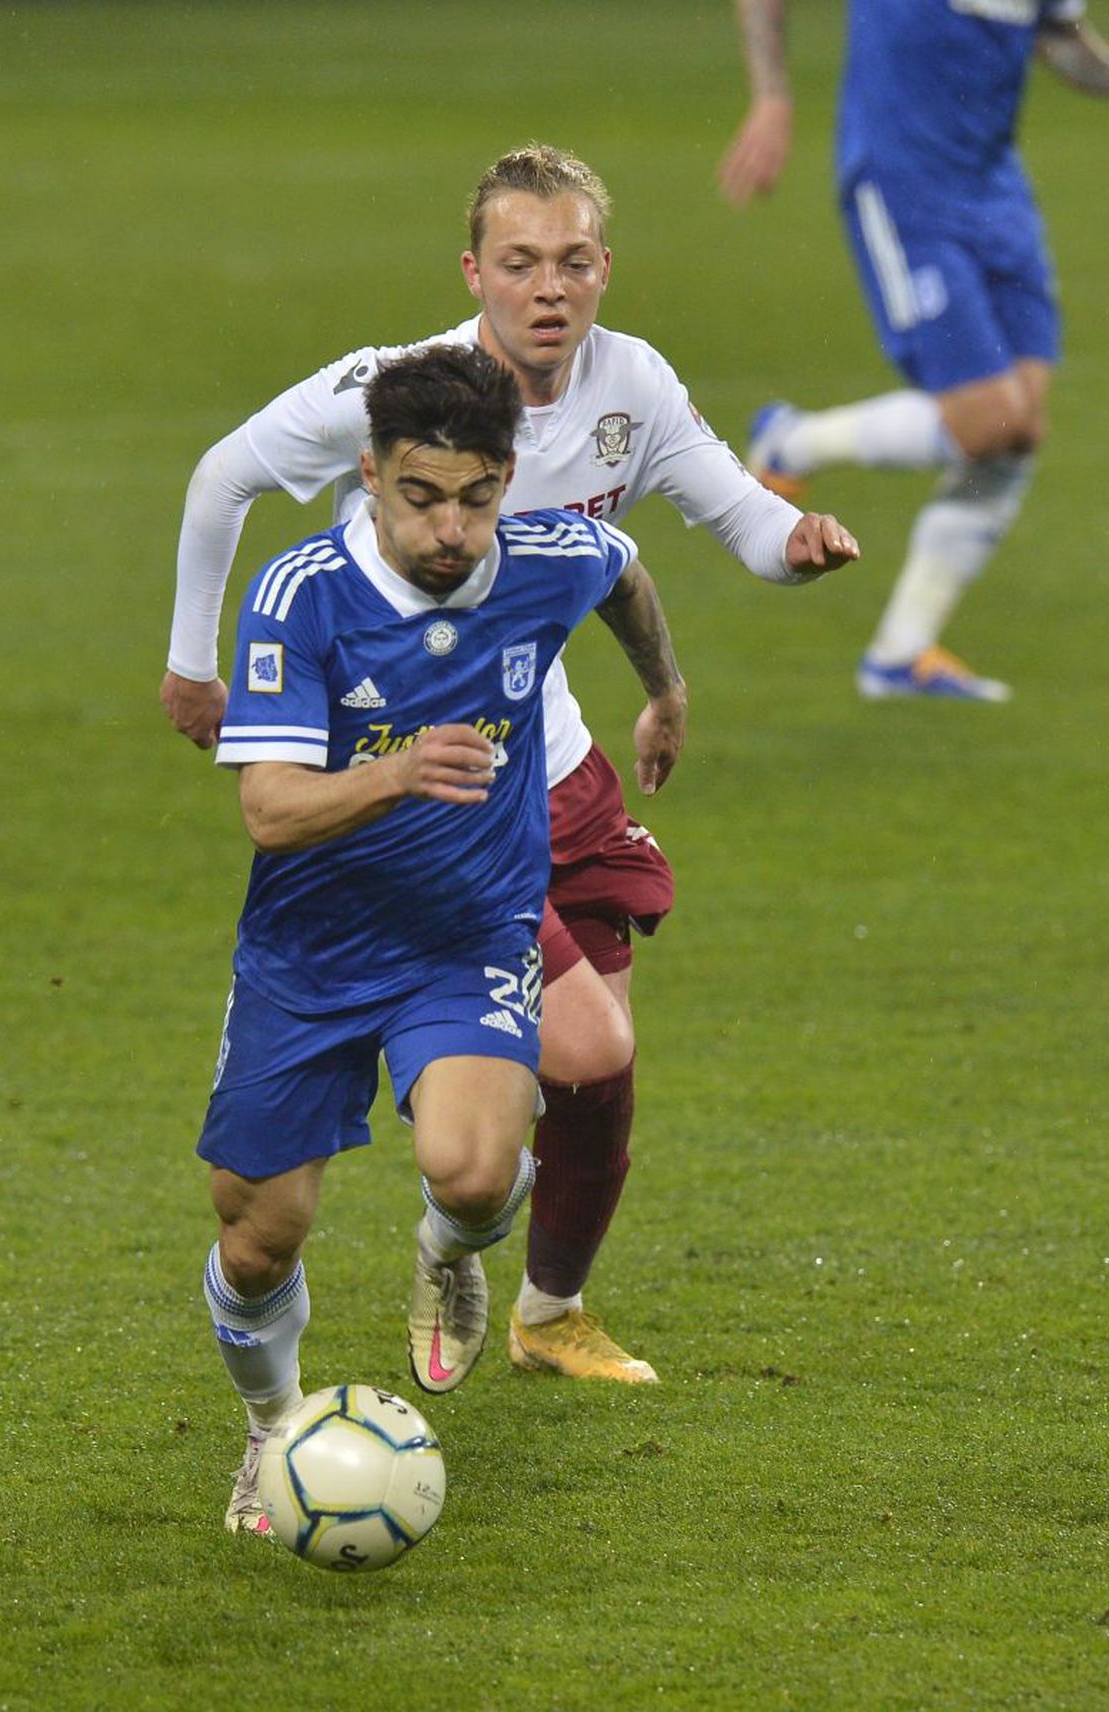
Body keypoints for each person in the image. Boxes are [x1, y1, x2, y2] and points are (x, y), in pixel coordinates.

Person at [166, 143, 861, 1389]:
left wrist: (781, 553)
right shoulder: (393, 393)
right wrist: (191, 666)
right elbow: (226, 475)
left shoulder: (628, 385)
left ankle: (541, 1297)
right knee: (558, 1058)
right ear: (475, 271)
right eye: (523, 262)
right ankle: (445, 1234)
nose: (551, 287)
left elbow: (706, 524)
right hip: (413, 779)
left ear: (605, 270)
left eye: (576, 261)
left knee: (601, 1064)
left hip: (551, 756)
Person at [201, 342, 686, 1533]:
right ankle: (274, 1434)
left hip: (467, 934)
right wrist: (402, 772)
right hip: (308, 956)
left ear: (505, 480)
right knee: (260, 1237)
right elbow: (268, 810)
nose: (451, 528)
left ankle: (450, 1250)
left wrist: (665, 688)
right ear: (369, 475)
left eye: (477, 497)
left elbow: (620, 569)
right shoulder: (301, 594)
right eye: (421, 497)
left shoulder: (544, 560)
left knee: (474, 1174)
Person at [719, 0, 1109, 702]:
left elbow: (1061, 38)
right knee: (986, 418)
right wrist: (773, 96)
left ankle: (899, 656)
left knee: (1018, 429)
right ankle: (794, 441)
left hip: (997, 193)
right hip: (904, 184)